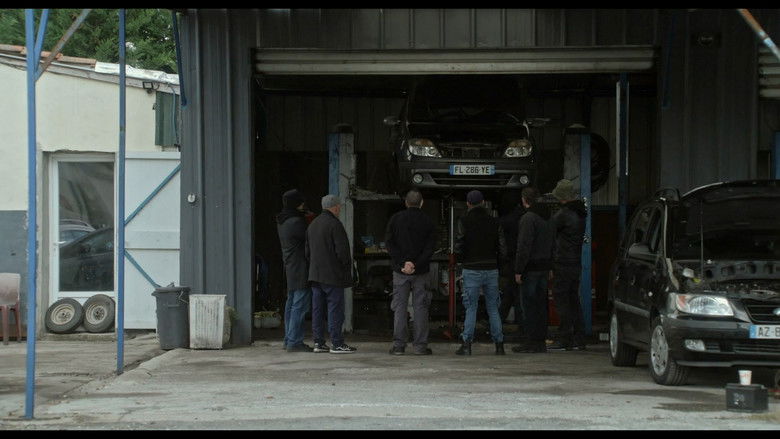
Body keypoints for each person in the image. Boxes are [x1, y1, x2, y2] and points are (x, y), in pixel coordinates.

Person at [454, 190, 507, 356]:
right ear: (483, 202)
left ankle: (467, 345)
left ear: (468, 204)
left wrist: (462, 260)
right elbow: (502, 248)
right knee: (493, 307)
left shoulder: (464, 220)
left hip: (472, 269)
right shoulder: (494, 221)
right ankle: (499, 345)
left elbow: (459, 245)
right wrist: (498, 263)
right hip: (491, 269)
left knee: (471, 307)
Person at [385, 189, 437, 355]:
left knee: (400, 307)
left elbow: (389, 244)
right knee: (420, 307)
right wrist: (416, 264)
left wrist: (403, 263)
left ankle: (399, 346)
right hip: (421, 271)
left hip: (400, 272)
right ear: (422, 203)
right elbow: (430, 248)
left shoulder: (395, 219)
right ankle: (420, 346)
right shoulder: (428, 221)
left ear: (406, 203)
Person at [305, 194, 357, 354]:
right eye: (339, 206)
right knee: (335, 309)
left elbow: (307, 252)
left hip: (315, 275)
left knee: (317, 310)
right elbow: (342, 252)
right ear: (334, 207)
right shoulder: (335, 225)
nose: (340, 209)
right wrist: (346, 268)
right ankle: (337, 343)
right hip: (333, 275)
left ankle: (318, 343)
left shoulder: (312, 225)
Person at [512, 187, 555, 354]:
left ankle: (531, 341)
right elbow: (553, 244)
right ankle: (540, 341)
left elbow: (524, 246)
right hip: (544, 267)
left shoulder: (528, 218)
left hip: (530, 268)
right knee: (541, 305)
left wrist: (518, 270)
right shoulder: (549, 218)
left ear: (524, 200)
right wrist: (551, 266)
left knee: (528, 306)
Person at [548, 180, 587, 351]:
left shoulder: (564, 214)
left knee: (562, 301)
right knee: (573, 301)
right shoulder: (580, 213)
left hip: (563, 262)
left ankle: (564, 338)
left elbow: (550, 230)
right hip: (575, 262)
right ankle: (579, 338)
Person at [277, 189, 313, 352]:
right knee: (300, 306)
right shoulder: (297, 222)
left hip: (290, 267)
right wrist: (309, 219)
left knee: (291, 304)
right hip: (300, 267)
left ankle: (288, 338)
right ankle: (294, 341)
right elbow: (309, 239)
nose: (303, 205)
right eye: (301, 203)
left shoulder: (282, 220)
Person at [498, 191, 526, 330]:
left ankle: (500, 320)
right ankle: (518, 323)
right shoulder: (525, 218)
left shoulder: (505, 221)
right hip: (523, 260)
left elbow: (502, 243)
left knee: (512, 292)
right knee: (514, 293)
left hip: (511, 260)